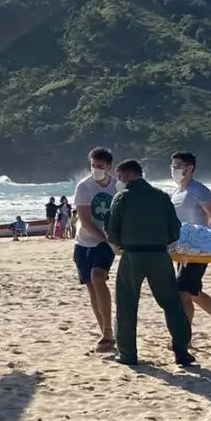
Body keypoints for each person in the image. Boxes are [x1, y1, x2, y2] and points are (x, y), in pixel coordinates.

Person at [106, 160, 194, 367]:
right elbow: (175, 228)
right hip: (160, 255)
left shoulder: (122, 198)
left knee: (127, 304)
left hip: (133, 255)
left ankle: (128, 354)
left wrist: (120, 245)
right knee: (172, 303)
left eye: (120, 177)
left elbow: (111, 229)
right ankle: (182, 351)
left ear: (126, 175)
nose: (119, 181)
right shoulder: (161, 196)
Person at [169, 151, 211, 346]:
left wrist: (208, 243)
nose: (173, 170)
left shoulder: (199, 190)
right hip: (181, 249)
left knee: (183, 291)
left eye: (178, 166)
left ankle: (183, 338)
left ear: (189, 168)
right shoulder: (177, 192)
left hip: (199, 249)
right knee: (192, 292)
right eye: (172, 166)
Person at [73, 147, 120, 353]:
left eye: (99, 166)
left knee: (98, 277)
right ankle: (106, 334)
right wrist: (104, 237)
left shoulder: (117, 187)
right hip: (84, 242)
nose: (95, 169)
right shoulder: (84, 186)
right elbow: (84, 220)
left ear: (109, 166)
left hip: (106, 242)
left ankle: (109, 330)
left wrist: (112, 240)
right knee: (92, 287)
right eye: (92, 165)